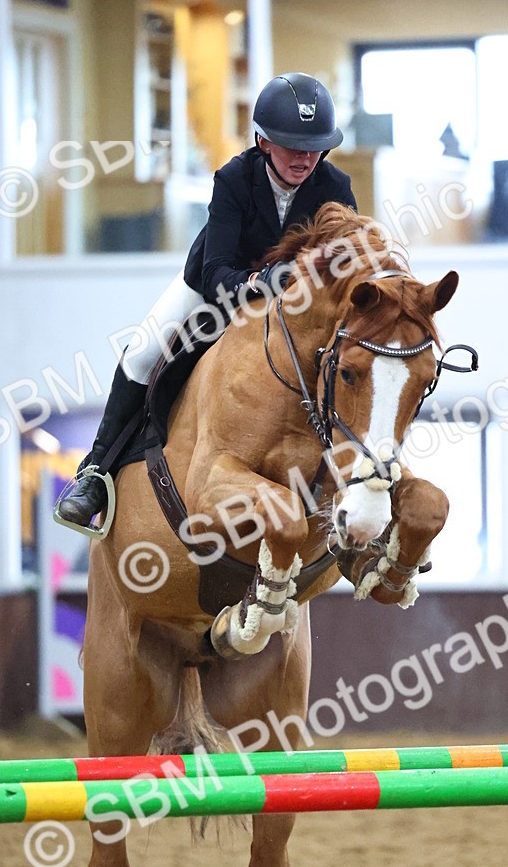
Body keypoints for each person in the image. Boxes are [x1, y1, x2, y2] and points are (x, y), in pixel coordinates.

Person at [57, 72, 357, 529]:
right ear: (263, 140)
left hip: (296, 308)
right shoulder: (234, 179)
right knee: (141, 353)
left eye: (314, 145)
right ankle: (95, 474)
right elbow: (217, 270)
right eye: (293, 145)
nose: (305, 157)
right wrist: (261, 283)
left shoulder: (335, 186)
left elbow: (348, 263)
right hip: (217, 288)